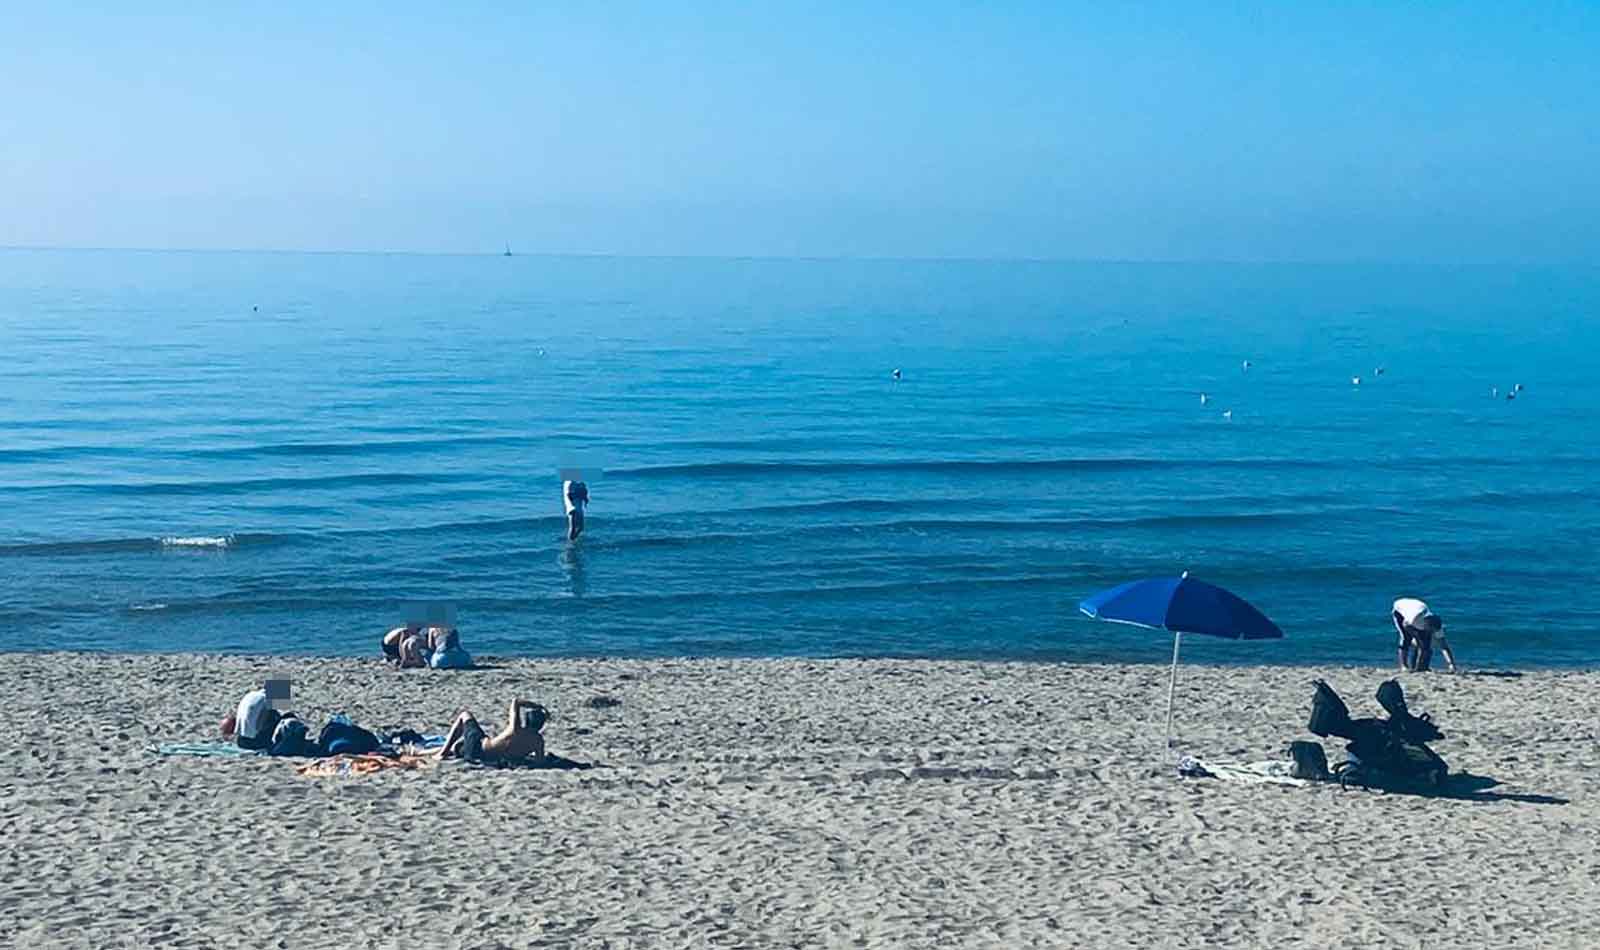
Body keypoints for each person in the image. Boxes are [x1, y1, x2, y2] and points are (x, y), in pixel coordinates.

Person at [438, 699, 547, 765]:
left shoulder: (515, 728)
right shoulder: (538, 741)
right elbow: (540, 761)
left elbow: (516, 701)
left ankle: (441, 753)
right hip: (484, 758)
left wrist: (537, 706)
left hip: (478, 747)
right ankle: (425, 753)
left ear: (526, 720)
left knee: (465, 715)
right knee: (456, 748)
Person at [1393, 597, 1458, 673]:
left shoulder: (1437, 627)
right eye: (1430, 630)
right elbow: (1405, 625)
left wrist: (1451, 664)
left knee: (1426, 645)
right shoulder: (1414, 619)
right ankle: (1404, 666)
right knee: (1406, 638)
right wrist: (1415, 638)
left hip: (1418, 609)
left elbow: (1444, 646)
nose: (1432, 633)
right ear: (1426, 625)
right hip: (1400, 610)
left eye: (1433, 631)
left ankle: (1421, 668)